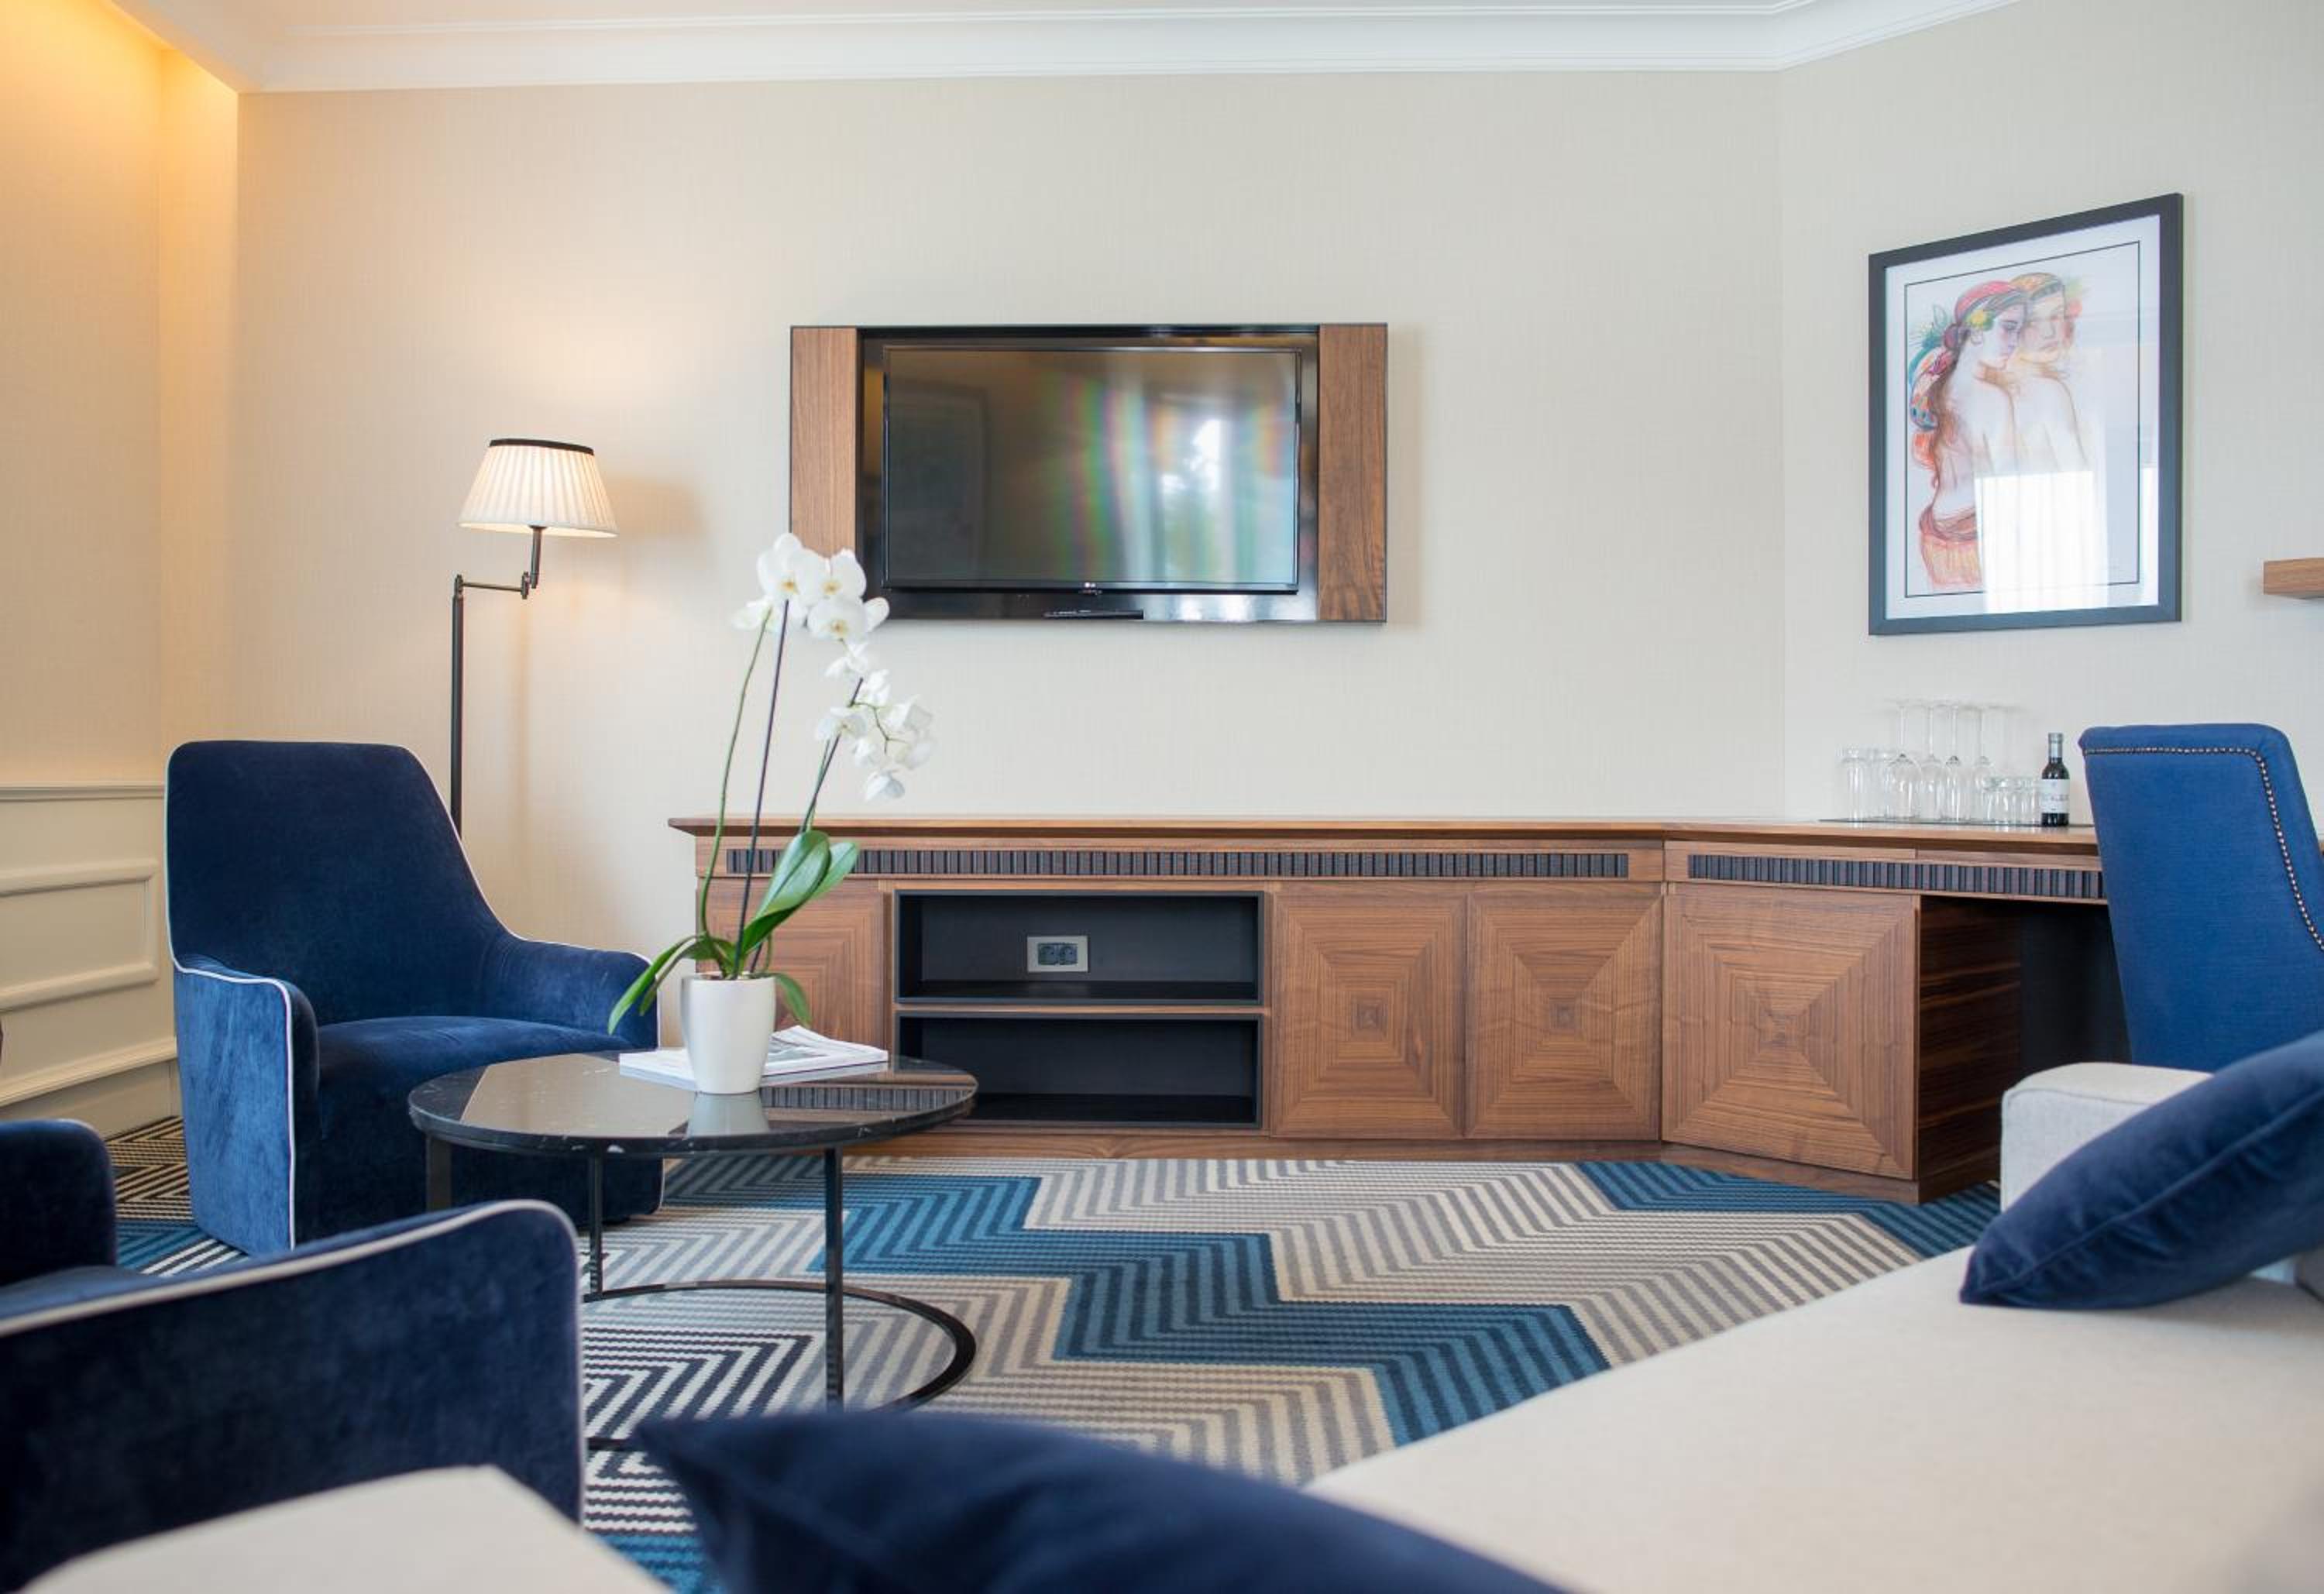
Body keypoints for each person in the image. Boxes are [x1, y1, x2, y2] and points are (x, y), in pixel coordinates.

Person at [1906, 280, 2028, 590]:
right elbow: (2007, 483)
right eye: (2009, 328)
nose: (2015, 342)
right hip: (1977, 534)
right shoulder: (1994, 399)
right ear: (1976, 329)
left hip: (1935, 530)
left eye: (2019, 331)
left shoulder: (1932, 390)